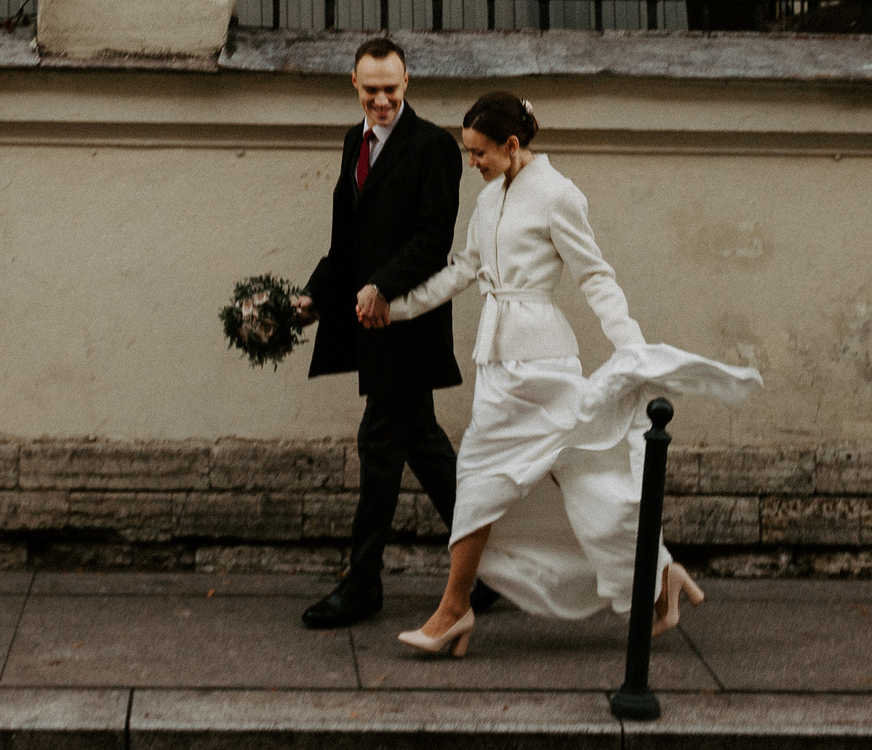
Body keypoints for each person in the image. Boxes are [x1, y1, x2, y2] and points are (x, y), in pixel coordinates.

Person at [378, 90, 762, 658]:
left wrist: (633, 351)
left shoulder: (559, 195)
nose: (473, 162)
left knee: (521, 482)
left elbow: (596, 277)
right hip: (499, 369)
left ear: (512, 145)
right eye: (468, 152)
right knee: (566, 485)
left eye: (480, 152)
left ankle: (453, 612)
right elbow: (463, 269)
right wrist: (394, 305)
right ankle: (660, 580)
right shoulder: (488, 201)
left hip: (544, 367)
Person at [293, 37, 493, 629]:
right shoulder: (354, 141)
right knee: (423, 447)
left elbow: (432, 241)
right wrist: (313, 295)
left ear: (408, 84)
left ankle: (363, 585)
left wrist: (382, 285)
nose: (381, 101)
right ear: (354, 87)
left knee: (380, 447)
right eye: (371, 90)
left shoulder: (432, 147)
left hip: (408, 324)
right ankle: (486, 573)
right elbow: (345, 244)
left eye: (392, 89)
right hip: (369, 320)